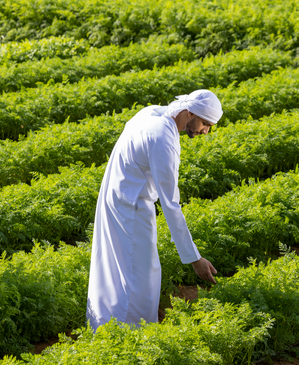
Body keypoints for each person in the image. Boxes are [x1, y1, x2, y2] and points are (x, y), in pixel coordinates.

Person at [86, 89, 223, 330]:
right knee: (141, 277)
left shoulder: (151, 113)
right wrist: (194, 258)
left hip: (116, 197)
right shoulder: (163, 140)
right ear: (189, 112)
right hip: (131, 208)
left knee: (114, 270)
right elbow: (170, 204)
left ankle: (106, 329)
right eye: (204, 123)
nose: (205, 131)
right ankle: (131, 336)